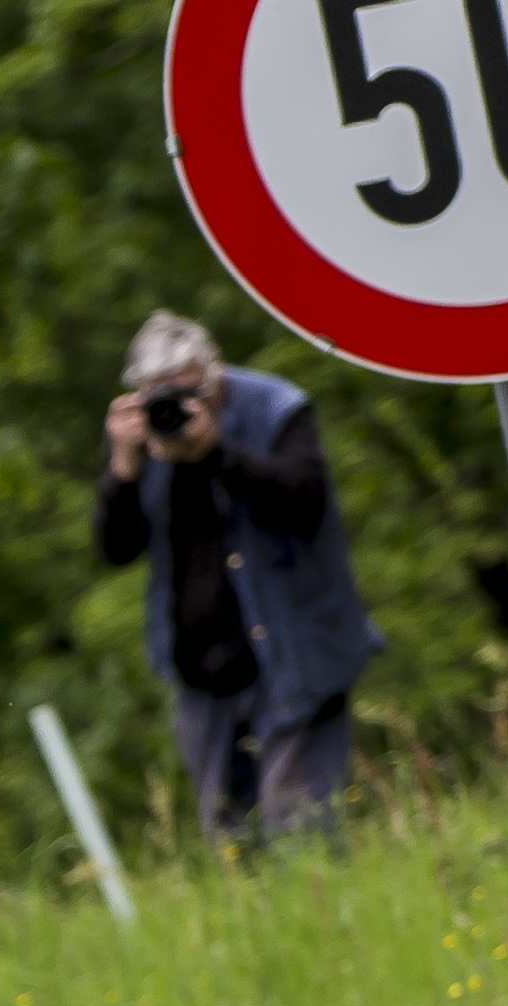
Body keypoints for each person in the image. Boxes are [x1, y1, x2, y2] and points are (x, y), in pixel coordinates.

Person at [94, 312, 383, 844]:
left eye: (189, 391)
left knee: (301, 834)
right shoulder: (145, 435)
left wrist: (213, 453)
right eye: (160, 395)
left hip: (295, 657)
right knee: (232, 847)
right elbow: (115, 549)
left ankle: (325, 920)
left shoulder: (276, 408)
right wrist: (122, 468)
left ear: (213, 372)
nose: (177, 408)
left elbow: (306, 503)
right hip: (204, 676)